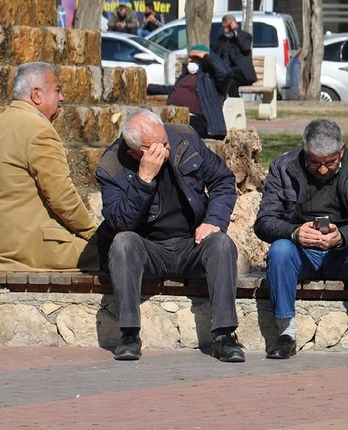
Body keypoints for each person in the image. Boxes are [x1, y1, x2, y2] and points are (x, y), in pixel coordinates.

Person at [95, 110, 242, 362]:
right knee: (123, 243)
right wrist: (144, 179)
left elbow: (223, 181)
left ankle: (224, 336)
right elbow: (120, 222)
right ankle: (129, 335)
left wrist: (213, 221)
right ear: (134, 153)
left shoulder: (184, 139)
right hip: (149, 249)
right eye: (155, 148)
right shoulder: (111, 166)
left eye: (165, 142)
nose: (166, 149)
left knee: (222, 244)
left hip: (192, 244)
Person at [254, 119, 348, 361]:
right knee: (280, 250)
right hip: (301, 253)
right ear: (304, 151)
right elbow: (264, 221)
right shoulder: (282, 167)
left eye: (330, 162)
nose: (322, 169)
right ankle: (286, 333)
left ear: (342, 151)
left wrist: (343, 236)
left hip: (344, 252)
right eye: (314, 162)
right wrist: (295, 232)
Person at [0, 61, 98, 272]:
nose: (62, 98)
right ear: (36, 95)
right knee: (115, 255)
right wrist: (94, 234)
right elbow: (62, 197)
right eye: (57, 90)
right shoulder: (39, 130)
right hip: (22, 249)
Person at [147, 45, 232, 140]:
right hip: (172, 115)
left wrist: (207, 56)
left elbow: (226, 73)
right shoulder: (185, 76)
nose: (190, 60)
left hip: (196, 119)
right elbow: (173, 89)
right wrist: (149, 88)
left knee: (182, 134)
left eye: (195, 58)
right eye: (190, 57)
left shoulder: (210, 80)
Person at [212, 14, 257, 97]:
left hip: (243, 74)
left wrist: (235, 31)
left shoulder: (245, 36)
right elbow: (215, 55)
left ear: (234, 25)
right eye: (223, 28)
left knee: (228, 73)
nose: (225, 31)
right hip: (228, 75)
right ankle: (235, 104)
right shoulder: (221, 39)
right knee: (230, 80)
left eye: (227, 27)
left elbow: (246, 47)